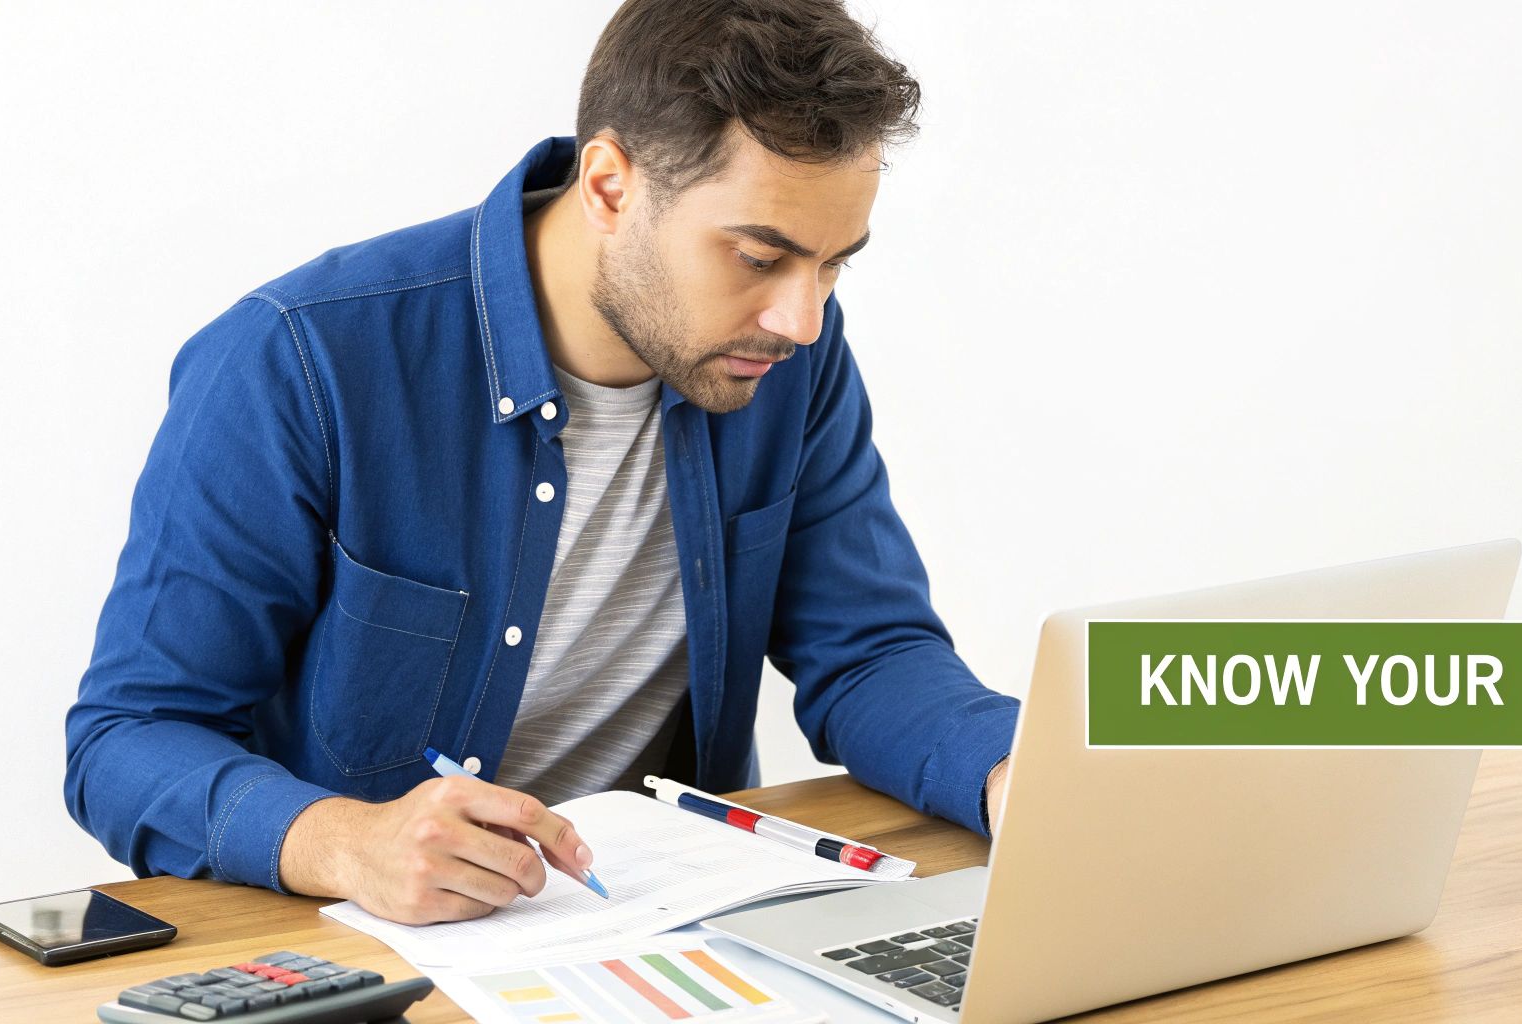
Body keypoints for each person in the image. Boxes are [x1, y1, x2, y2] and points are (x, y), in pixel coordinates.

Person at [63, 0, 1018, 927]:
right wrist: (347, 842)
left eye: (835, 263)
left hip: (673, 932)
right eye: (758, 257)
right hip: (365, 958)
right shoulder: (299, 360)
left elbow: (871, 652)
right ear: (609, 184)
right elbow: (126, 739)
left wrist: (1016, 773)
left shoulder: (787, 357)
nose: (801, 319)